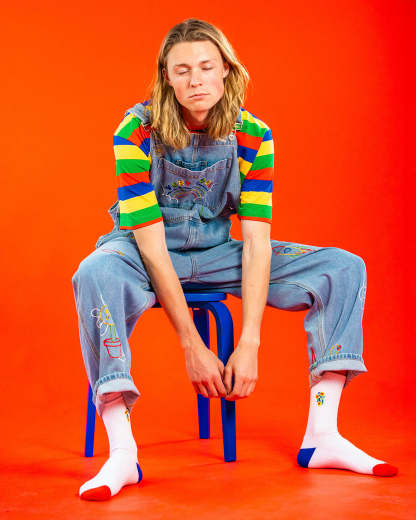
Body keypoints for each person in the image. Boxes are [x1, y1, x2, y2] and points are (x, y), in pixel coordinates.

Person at [71, 18, 398, 501]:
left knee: (343, 268)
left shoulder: (254, 135)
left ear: (226, 69)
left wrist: (249, 342)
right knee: (94, 271)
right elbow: (153, 247)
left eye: (206, 67)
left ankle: (323, 434)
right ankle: (122, 452)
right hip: (142, 253)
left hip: (216, 253)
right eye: (182, 70)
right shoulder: (135, 131)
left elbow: (257, 242)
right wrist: (192, 344)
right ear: (166, 76)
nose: (196, 80)